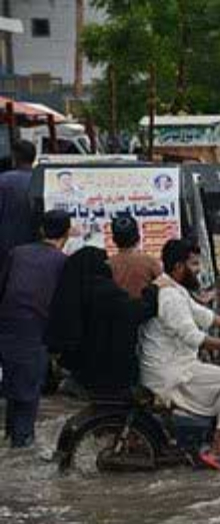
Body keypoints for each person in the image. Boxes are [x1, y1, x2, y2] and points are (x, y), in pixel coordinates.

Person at [139, 238, 220, 470]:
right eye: (194, 264)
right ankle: (218, 449)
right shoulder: (170, 297)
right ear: (179, 267)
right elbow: (193, 337)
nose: (198, 270)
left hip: (177, 364)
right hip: (170, 371)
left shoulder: (174, 289)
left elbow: (205, 316)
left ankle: (209, 437)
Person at [47, 246, 161, 395]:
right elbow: (137, 311)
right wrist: (153, 290)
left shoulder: (73, 293)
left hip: (82, 372)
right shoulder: (104, 291)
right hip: (108, 374)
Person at [0, 211, 70, 446]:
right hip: (34, 332)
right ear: (67, 233)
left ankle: (11, 440)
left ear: (41, 230)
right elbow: (62, 305)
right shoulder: (62, 262)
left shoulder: (17, 253)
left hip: (7, 328)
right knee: (28, 395)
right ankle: (21, 450)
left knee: (13, 391)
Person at [0, 140, 37, 264]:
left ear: (14, 157)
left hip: (7, 249)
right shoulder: (43, 179)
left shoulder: (4, 181)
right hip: (35, 249)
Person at [109, 214, 162, 299]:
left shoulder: (108, 265)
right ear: (138, 237)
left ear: (114, 240)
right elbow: (163, 287)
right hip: (146, 311)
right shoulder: (150, 262)